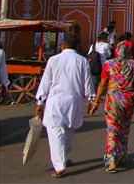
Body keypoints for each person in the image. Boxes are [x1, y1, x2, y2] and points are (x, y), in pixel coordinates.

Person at [34, 34, 95, 178]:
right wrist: (92, 100)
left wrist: (40, 101)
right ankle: (64, 159)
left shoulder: (53, 60)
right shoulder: (82, 61)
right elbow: (88, 83)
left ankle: (60, 165)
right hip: (74, 101)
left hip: (56, 101)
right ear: (77, 47)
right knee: (69, 131)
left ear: (63, 46)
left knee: (55, 132)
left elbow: (46, 82)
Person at [88, 44, 134, 173]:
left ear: (116, 52)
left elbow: (102, 84)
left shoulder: (108, 64)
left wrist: (95, 103)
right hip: (128, 100)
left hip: (112, 99)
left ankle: (112, 160)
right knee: (124, 128)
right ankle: (122, 154)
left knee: (112, 129)